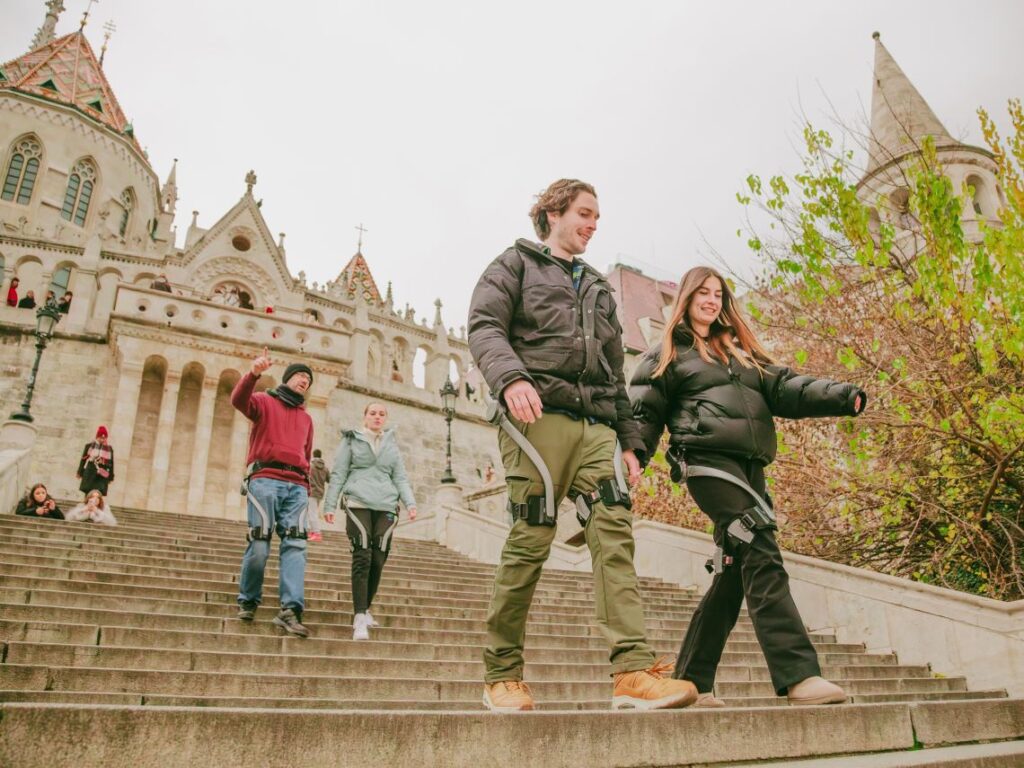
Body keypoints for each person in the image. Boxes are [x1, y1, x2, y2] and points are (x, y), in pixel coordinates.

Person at [467, 178, 698, 713]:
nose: (593, 224)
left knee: (614, 532)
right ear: (552, 212)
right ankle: (502, 675)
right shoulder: (514, 265)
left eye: (597, 217)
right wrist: (510, 378)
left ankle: (633, 672)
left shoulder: (596, 286)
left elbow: (614, 375)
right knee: (531, 536)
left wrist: (631, 443)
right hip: (535, 416)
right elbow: (483, 326)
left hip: (597, 427)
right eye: (585, 213)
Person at [629, 266, 867, 707]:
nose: (711, 300)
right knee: (759, 545)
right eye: (702, 292)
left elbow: (787, 387)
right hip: (706, 464)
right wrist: (633, 455)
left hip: (751, 468)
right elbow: (643, 410)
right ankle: (799, 674)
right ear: (686, 298)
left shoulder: (740, 353)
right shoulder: (668, 353)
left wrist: (840, 395)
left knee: (734, 569)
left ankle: (693, 682)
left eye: (717, 293)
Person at [232, 347, 315, 638]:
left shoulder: (307, 419)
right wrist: (254, 374)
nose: (304, 380)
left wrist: (307, 488)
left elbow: (306, 455)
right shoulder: (264, 402)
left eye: (308, 379)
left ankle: (290, 610)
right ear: (288, 378)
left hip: (297, 486)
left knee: (296, 545)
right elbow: (238, 400)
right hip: (265, 478)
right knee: (260, 542)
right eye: (300, 375)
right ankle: (248, 599)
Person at [323, 402, 418, 641]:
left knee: (378, 557)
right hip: (358, 502)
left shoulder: (391, 444)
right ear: (364, 417)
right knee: (362, 555)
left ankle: (365, 608)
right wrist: (330, 504)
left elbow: (400, 477)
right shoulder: (352, 439)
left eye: (381, 414)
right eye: (372, 413)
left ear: (385, 419)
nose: (377, 417)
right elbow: (339, 472)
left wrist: (411, 503)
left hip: (386, 504)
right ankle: (359, 615)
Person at [77, 426, 115, 498]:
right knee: (88, 493)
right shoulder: (89, 446)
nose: (102, 439)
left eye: (104, 438)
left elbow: (111, 464)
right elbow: (83, 460)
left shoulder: (109, 449)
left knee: (98, 494)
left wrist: (110, 477)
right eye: (101, 437)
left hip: (102, 474)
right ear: (97, 437)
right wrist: (80, 472)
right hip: (90, 472)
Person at [306, 448, 329, 543]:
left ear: (313, 455)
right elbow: (329, 480)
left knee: (312, 513)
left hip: (311, 492)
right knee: (313, 512)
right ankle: (312, 532)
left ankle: (316, 533)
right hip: (320, 493)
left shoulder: (310, 466)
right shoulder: (325, 468)